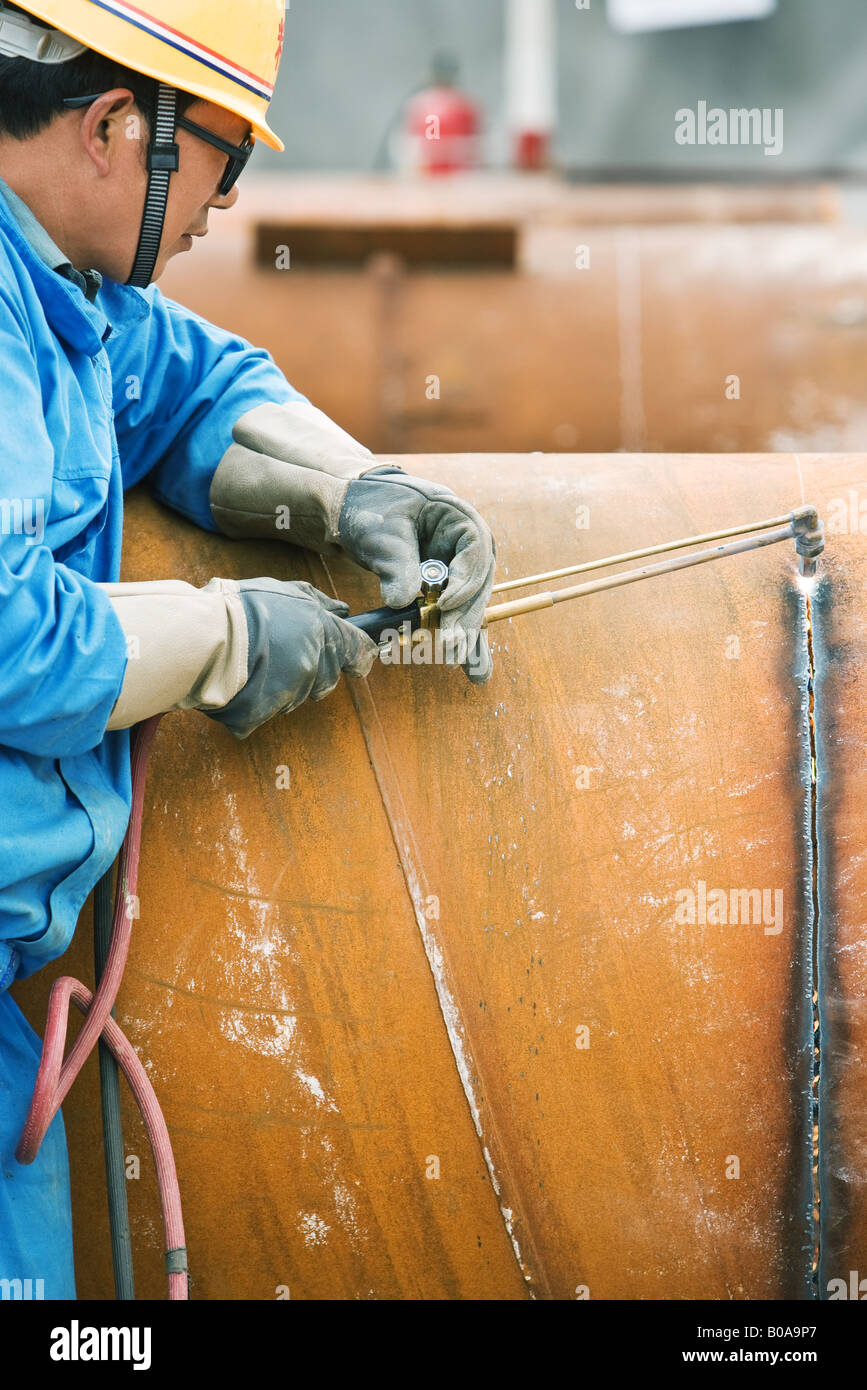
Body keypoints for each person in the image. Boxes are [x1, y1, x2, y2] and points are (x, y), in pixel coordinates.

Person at [0, 0, 495, 1300]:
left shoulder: (60, 292)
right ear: (117, 125)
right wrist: (230, 632)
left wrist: (358, 495)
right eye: (229, 151)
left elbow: (198, 390)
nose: (228, 201)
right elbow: (10, 642)